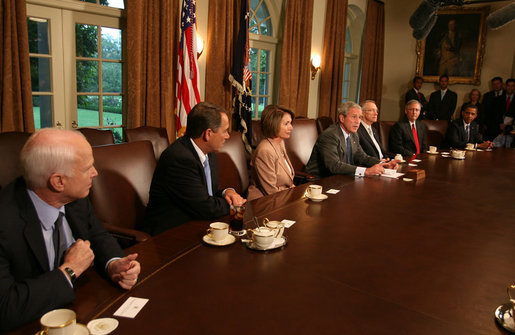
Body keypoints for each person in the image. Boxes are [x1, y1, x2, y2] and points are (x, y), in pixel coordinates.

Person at [0, 129, 140, 332]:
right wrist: (70, 270)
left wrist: (115, 264)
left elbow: (97, 235)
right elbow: (5, 308)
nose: (95, 172)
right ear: (58, 182)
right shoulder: (5, 221)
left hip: (79, 310)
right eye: (87, 168)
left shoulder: (75, 198)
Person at [143, 102, 246, 236]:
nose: (227, 136)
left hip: (198, 224)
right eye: (225, 131)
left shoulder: (209, 153)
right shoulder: (179, 158)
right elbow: (206, 207)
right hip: (170, 235)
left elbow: (206, 193)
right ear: (208, 134)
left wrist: (227, 193)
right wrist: (235, 205)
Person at [304, 101, 398, 178]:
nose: (358, 122)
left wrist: (384, 164)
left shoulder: (353, 134)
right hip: (321, 181)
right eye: (354, 117)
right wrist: (366, 171)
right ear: (342, 118)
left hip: (343, 178)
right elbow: (334, 166)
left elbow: (361, 157)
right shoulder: (330, 135)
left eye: (360, 117)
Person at [247, 105, 295, 200]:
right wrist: (291, 191)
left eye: (290, 123)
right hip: (264, 202)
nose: (291, 127)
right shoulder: (265, 150)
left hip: (282, 198)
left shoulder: (280, 143)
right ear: (273, 125)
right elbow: (270, 191)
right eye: (286, 124)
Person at [493, 79, 515, 147]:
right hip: (498, 129)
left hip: (511, 130)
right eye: (508, 86)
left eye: (512, 86)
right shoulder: (498, 99)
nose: (510, 88)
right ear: (505, 86)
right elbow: (495, 114)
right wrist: (500, 124)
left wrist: (508, 126)